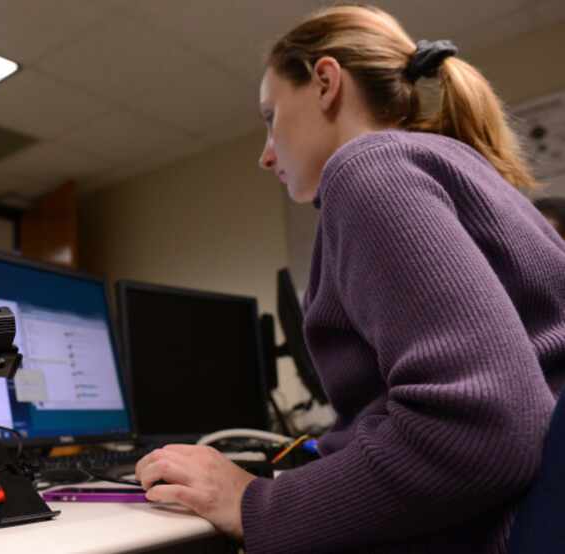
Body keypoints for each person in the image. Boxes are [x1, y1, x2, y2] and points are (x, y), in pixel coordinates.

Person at [135, 4, 565, 553]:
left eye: (271, 118)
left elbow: (479, 428)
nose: (266, 156)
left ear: (325, 82)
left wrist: (253, 502)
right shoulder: (465, 173)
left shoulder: (370, 167)